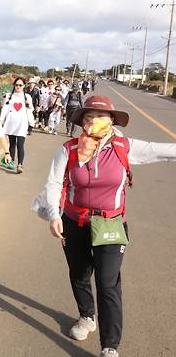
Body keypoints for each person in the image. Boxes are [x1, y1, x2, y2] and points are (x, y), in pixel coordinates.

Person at [36, 95, 176, 357]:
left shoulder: (123, 146)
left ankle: (109, 345)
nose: (92, 122)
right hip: (74, 221)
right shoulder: (69, 149)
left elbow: (162, 150)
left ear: (111, 121)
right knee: (79, 273)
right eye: (88, 117)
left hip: (110, 223)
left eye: (100, 117)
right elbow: (54, 183)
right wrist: (54, 214)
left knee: (107, 282)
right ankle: (86, 316)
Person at [0, 77, 34, 173]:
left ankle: (20, 165)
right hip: (11, 123)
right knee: (12, 144)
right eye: (16, 85)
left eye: (20, 85)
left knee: (20, 144)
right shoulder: (9, 96)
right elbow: (4, 109)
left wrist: (31, 122)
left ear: (24, 86)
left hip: (22, 124)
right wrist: (1, 120)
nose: (18, 87)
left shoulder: (27, 97)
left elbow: (30, 110)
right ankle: (11, 162)